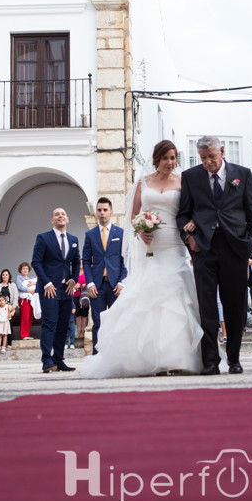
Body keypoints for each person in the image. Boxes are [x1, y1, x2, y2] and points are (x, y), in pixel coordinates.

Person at [82, 141, 203, 378]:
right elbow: (134, 215)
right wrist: (142, 229)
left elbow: (192, 210)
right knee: (148, 296)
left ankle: (177, 358)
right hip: (151, 245)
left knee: (176, 297)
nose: (171, 163)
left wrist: (192, 226)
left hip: (174, 244)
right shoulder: (143, 182)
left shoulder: (182, 182)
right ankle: (149, 359)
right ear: (157, 158)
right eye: (166, 158)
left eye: (174, 158)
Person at [177, 136, 252, 375]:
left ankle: (234, 359)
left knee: (234, 306)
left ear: (222, 152)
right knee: (207, 308)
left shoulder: (242, 174)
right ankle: (210, 362)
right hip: (204, 248)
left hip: (235, 248)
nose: (207, 162)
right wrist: (189, 240)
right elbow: (183, 215)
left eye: (211, 157)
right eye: (202, 158)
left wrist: (248, 244)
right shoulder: (191, 177)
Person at [31, 208, 81, 373]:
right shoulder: (43, 238)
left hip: (66, 289)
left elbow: (75, 262)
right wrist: (46, 283)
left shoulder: (73, 239)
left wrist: (74, 279)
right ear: (52, 220)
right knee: (50, 323)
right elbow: (36, 262)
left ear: (67, 219)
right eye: (57, 214)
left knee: (63, 325)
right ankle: (46, 360)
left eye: (63, 214)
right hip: (49, 289)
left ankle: (58, 359)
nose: (61, 216)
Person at [82, 197, 128, 354]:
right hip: (97, 285)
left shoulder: (120, 233)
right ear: (96, 213)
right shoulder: (90, 235)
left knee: (117, 321)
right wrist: (90, 283)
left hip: (116, 285)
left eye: (105, 210)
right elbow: (86, 261)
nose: (102, 213)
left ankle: (116, 354)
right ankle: (98, 355)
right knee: (98, 322)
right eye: (99, 210)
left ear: (111, 212)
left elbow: (125, 260)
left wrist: (122, 282)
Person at [0, 268, 17, 350]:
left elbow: (15, 297)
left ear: (9, 276)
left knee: (9, 326)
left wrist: (13, 308)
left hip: (8, 308)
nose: (4, 276)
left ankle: (9, 343)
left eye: (6, 275)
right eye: (3, 275)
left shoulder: (12, 285)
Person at [15, 263, 37, 339]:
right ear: (20, 270)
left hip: (31, 299)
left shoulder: (31, 277)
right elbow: (19, 287)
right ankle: (23, 335)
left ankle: (27, 334)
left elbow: (37, 283)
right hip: (24, 300)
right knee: (25, 316)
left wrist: (34, 283)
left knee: (30, 316)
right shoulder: (19, 277)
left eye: (26, 269)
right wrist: (28, 290)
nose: (25, 270)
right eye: (23, 268)